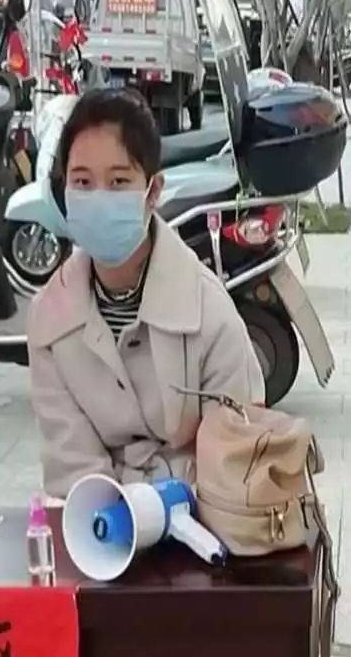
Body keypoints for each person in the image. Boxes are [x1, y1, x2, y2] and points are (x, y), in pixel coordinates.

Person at [28, 89, 264, 499]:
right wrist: (119, 517)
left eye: (119, 182)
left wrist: (169, 504)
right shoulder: (49, 319)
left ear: (153, 191)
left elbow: (238, 454)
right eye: (82, 182)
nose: (99, 197)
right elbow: (73, 468)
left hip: (204, 517)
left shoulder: (208, 311)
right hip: (98, 523)